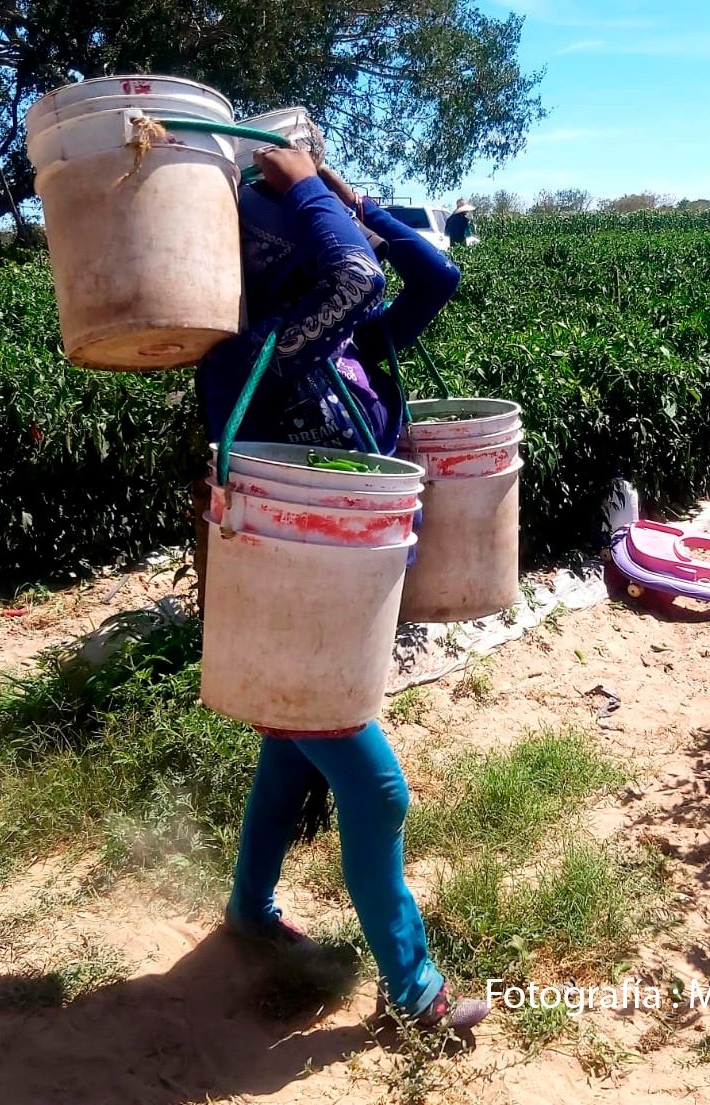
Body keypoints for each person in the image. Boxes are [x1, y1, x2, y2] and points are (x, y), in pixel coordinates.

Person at [196, 144, 488, 1032]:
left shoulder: (349, 344)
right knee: (376, 791)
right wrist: (312, 188)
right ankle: (418, 991)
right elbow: (356, 274)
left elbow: (434, 275)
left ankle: (250, 908)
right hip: (290, 607)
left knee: (289, 756)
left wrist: (357, 200)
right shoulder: (248, 351)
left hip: (335, 602)